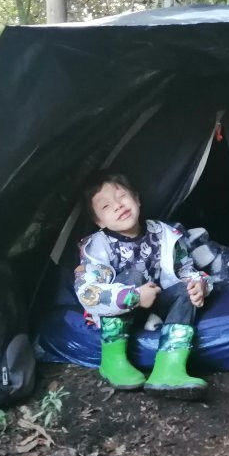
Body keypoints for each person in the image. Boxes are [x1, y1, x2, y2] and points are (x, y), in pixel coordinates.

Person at [73, 171, 212, 399]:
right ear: (99, 221)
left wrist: (200, 285)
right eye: (106, 207)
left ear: (136, 198)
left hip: (157, 302)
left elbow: (187, 271)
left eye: (122, 197)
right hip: (119, 312)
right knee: (132, 276)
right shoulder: (96, 247)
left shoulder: (165, 234)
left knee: (185, 291)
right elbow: (88, 292)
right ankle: (113, 362)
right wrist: (134, 296)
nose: (118, 206)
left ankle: (169, 370)